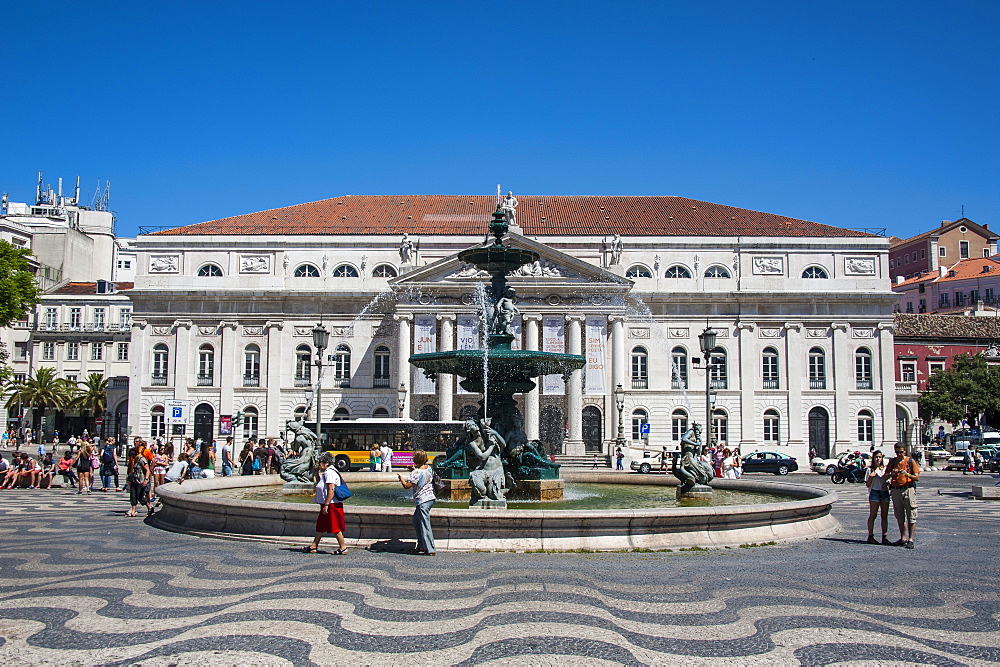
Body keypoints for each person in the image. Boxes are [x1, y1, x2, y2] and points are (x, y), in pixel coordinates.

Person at [303, 452, 347, 554]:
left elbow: (331, 490)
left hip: (331, 504)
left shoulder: (329, 472)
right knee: (321, 525)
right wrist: (316, 474)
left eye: (320, 462)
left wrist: (326, 505)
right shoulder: (327, 472)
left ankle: (343, 547)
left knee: (334, 526)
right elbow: (321, 485)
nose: (319, 464)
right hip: (327, 503)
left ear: (326, 463)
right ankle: (314, 546)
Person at [398, 449, 436, 555]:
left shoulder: (416, 472)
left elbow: (407, 486)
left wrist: (401, 479)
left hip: (423, 501)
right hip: (430, 498)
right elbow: (422, 474)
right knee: (417, 522)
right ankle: (421, 546)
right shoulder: (429, 468)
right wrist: (413, 469)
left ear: (415, 459)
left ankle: (430, 549)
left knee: (424, 524)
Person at [887, 444, 920, 549]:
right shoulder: (892, 462)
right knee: (899, 515)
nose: (899, 454)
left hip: (908, 489)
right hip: (896, 490)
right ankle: (903, 537)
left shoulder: (910, 462)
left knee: (911, 514)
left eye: (901, 452)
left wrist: (907, 474)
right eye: (897, 452)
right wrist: (891, 473)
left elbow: (917, 477)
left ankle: (911, 539)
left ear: (905, 451)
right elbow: (885, 476)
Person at [865, 450, 892, 545]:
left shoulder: (885, 469)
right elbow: (868, 485)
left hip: (884, 492)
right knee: (873, 515)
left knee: (884, 515)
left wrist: (887, 482)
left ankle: (885, 536)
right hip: (874, 492)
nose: (878, 459)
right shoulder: (870, 470)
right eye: (876, 457)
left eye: (879, 457)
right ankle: (870, 535)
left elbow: (889, 481)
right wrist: (871, 477)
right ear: (873, 458)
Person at [125, 443, 154, 517]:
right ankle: (133, 511)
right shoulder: (135, 460)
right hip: (135, 479)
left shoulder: (142, 459)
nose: (132, 458)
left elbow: (147, 470)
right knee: (133, 495)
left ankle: (149, 507)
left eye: (132, 456)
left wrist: (146, 480)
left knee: (140, 496)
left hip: (141, 480)